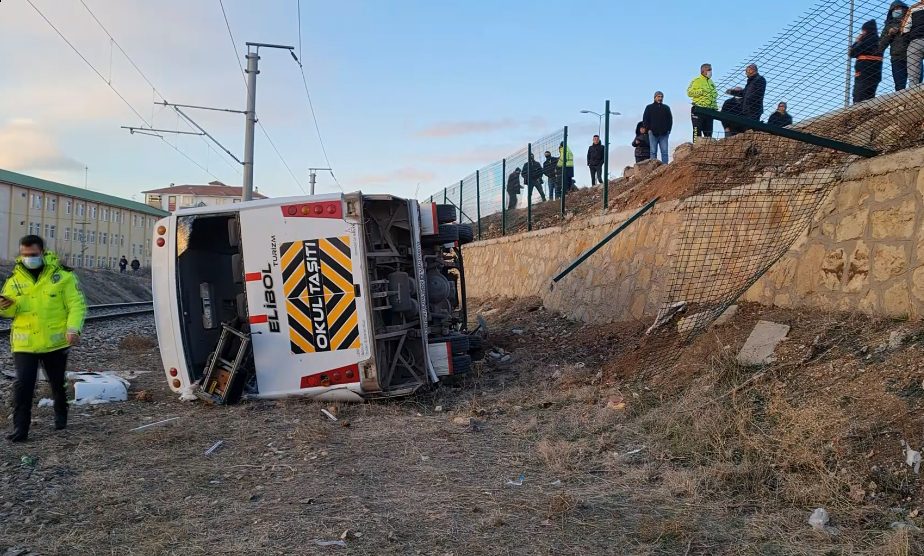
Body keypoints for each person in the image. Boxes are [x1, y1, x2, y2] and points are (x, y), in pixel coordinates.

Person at [1, 235, 87, 442]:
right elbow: (10, 311)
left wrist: (73, 329)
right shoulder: (14, 280)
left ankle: (61, 410)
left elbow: (77, 305)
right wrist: (5, 306)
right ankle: (21, 429)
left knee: (57, 383)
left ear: (42, 252)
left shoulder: (63, 277)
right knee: (23, 384)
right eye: (24, 255)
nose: (28, 258)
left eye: (32, 255)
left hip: (54, 343)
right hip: (25, 344)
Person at [850, 20, 883, 103]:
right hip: (875, 75)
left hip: (863, 74)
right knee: (870, 98)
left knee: (858, 98)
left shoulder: (866, 40)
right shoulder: (879, 41)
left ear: (866, 30)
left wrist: (857, 41)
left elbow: (852, 53)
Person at [881, 2, 910, 90]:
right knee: (899, 86)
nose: (896, 11)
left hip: (912, 55)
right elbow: (881, 45)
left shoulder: (911, 21)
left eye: (898, 8)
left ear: (904, 9)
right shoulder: (888, 25)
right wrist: (889, 34)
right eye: (893, 9)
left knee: (917, 83)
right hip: (897, 58)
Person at [687, 63, 718, 141]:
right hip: (698, 109)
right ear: (703, 71)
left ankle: (707, 150)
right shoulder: (696, 81)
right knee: (697, 132)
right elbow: (689, 92)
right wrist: (700, 91)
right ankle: (695, 149)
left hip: (710, 111)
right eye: (709, 70)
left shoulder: (712, 83)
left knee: (709, 133)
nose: (710, 71)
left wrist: (715, 108)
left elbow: (714, 96)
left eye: (711, 70)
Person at [642, 91, 672, 164]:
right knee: (653, 152)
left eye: (661, 96)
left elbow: (670, 119)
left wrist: (668, 130)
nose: (660, 98)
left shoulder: (666, 108)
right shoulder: (649, 107)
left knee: (664, 152)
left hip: (664, 134)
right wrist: (648, 129)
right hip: (653, 133)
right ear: (655, 97)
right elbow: (645, 119)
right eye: (658, 96)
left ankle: (665, 168)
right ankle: (653, 169)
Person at [902, 1, 924, 86]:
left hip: (915, 42)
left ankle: (913, 96)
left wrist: (909, 40)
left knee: (913, 78)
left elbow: (904, 29)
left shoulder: (913, 8)